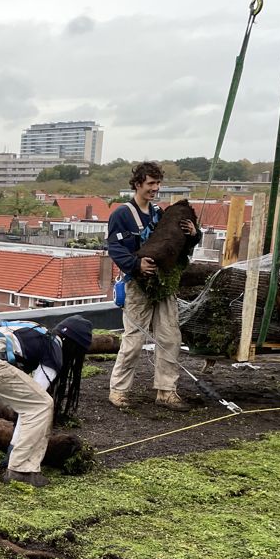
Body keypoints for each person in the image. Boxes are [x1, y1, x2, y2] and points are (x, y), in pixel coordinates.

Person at [0, 314, 93, 488]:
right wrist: (13, 448)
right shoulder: (54, 347)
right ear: (75, 346)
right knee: (41, 405)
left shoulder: (35, 330)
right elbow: (31, 405)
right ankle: (22, 470)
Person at [106, 161, 199, 411]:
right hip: (137, 284)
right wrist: (136, 265)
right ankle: (119, 391)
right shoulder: (122, 215)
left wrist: (193, 235)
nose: (155, 188)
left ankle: (166, 391)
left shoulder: (159, 214)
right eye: (150, 183)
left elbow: (174, 244)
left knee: (170, 337)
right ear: (138, 184)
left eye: (158, 183)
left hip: (163, 283)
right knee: (134, 340)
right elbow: (115, 248)